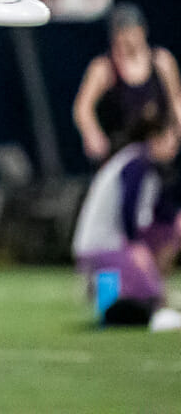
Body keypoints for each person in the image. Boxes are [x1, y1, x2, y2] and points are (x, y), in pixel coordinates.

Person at [72, 119, 181, 329]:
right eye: (170, 139)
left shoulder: (148, 166)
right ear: (154, 139)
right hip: (103, 244)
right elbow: (128, 206)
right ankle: (141, 299)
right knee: (144, 296)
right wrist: (135, 246)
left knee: (175, 225)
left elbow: (162, 212)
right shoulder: (136, 163)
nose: (174, 147)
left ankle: (147, 292)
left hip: (113, 240)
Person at [73, 2, 181, 164]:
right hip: (121, 154)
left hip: (158, 149)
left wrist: (174, 135)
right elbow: (83, 108)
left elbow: (176, 102)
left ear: (142, 30)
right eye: (119, 34)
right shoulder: (104, 68)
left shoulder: (161, 61)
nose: (124, 39)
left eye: (128, 32)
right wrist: (92, 134)